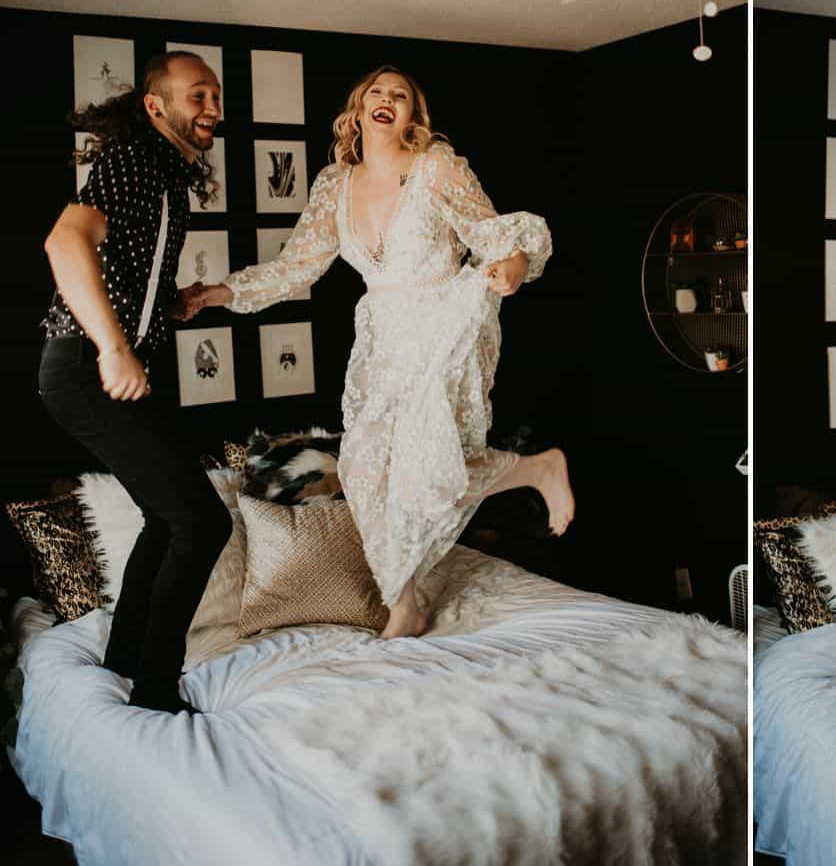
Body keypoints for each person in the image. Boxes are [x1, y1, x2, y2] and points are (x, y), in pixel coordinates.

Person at [180, 65, 571, 639]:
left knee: (427, 460)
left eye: (401, 95)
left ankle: (527, 483)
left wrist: (511, 268)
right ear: (357, 111)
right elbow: (296, 269)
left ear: (413, 115)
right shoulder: (334, 185)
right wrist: (219, 293)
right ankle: (411, 595)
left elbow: (494, 236)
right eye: (377, 94)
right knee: (364, 471)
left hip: (444, 318)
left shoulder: (436, 166)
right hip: (384, 335)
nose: (387, 100)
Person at [39, 51, 231, 715]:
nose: (213, 108)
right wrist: (115, 347)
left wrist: (168, 303)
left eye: (216, 96)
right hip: (85, 367)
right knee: (201, 522)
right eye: (198, 96)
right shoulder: (134, 163)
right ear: (157, 107)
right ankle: (155, 687)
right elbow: (65, 243)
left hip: (101, 365)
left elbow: (125, 267)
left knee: (169, 516)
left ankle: (125, 660)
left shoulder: (166, 179)